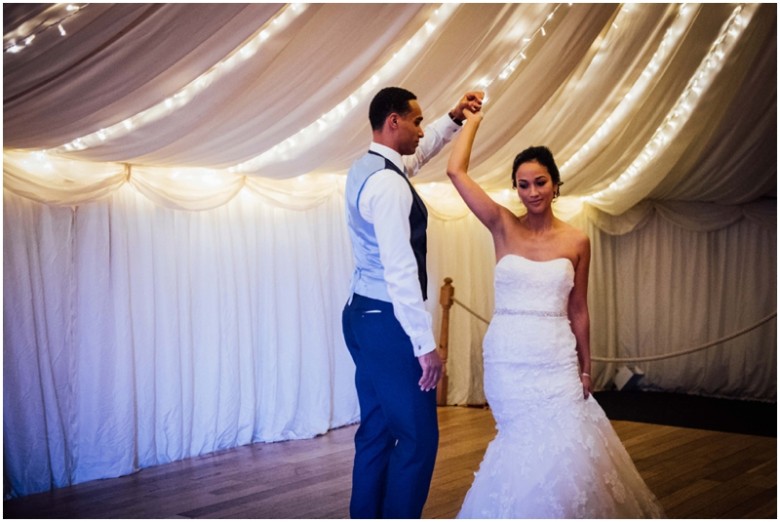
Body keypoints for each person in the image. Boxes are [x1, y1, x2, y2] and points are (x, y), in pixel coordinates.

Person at [446, 107, 665, 518]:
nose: (532, 192)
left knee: (568, 444)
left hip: (555, 359)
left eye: (540, 182)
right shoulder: (502, 226)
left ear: (556, 184)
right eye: (523, 185)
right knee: (519, 442)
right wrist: (471, 120)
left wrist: (586, 367)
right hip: (508, 359)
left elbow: (578, 308)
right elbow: (456, 173)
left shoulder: (577, 241)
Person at [342, 87, 483, 518]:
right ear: (394, 122)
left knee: (377, 431)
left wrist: (453, 119)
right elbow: (400, 271)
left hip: (361, 314)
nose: (423, 131)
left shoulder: (368, 167)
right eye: (417, 122)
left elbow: (415, 159)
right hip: (388, 321)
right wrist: (425, 346)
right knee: (419, 438)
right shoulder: (389, 186)